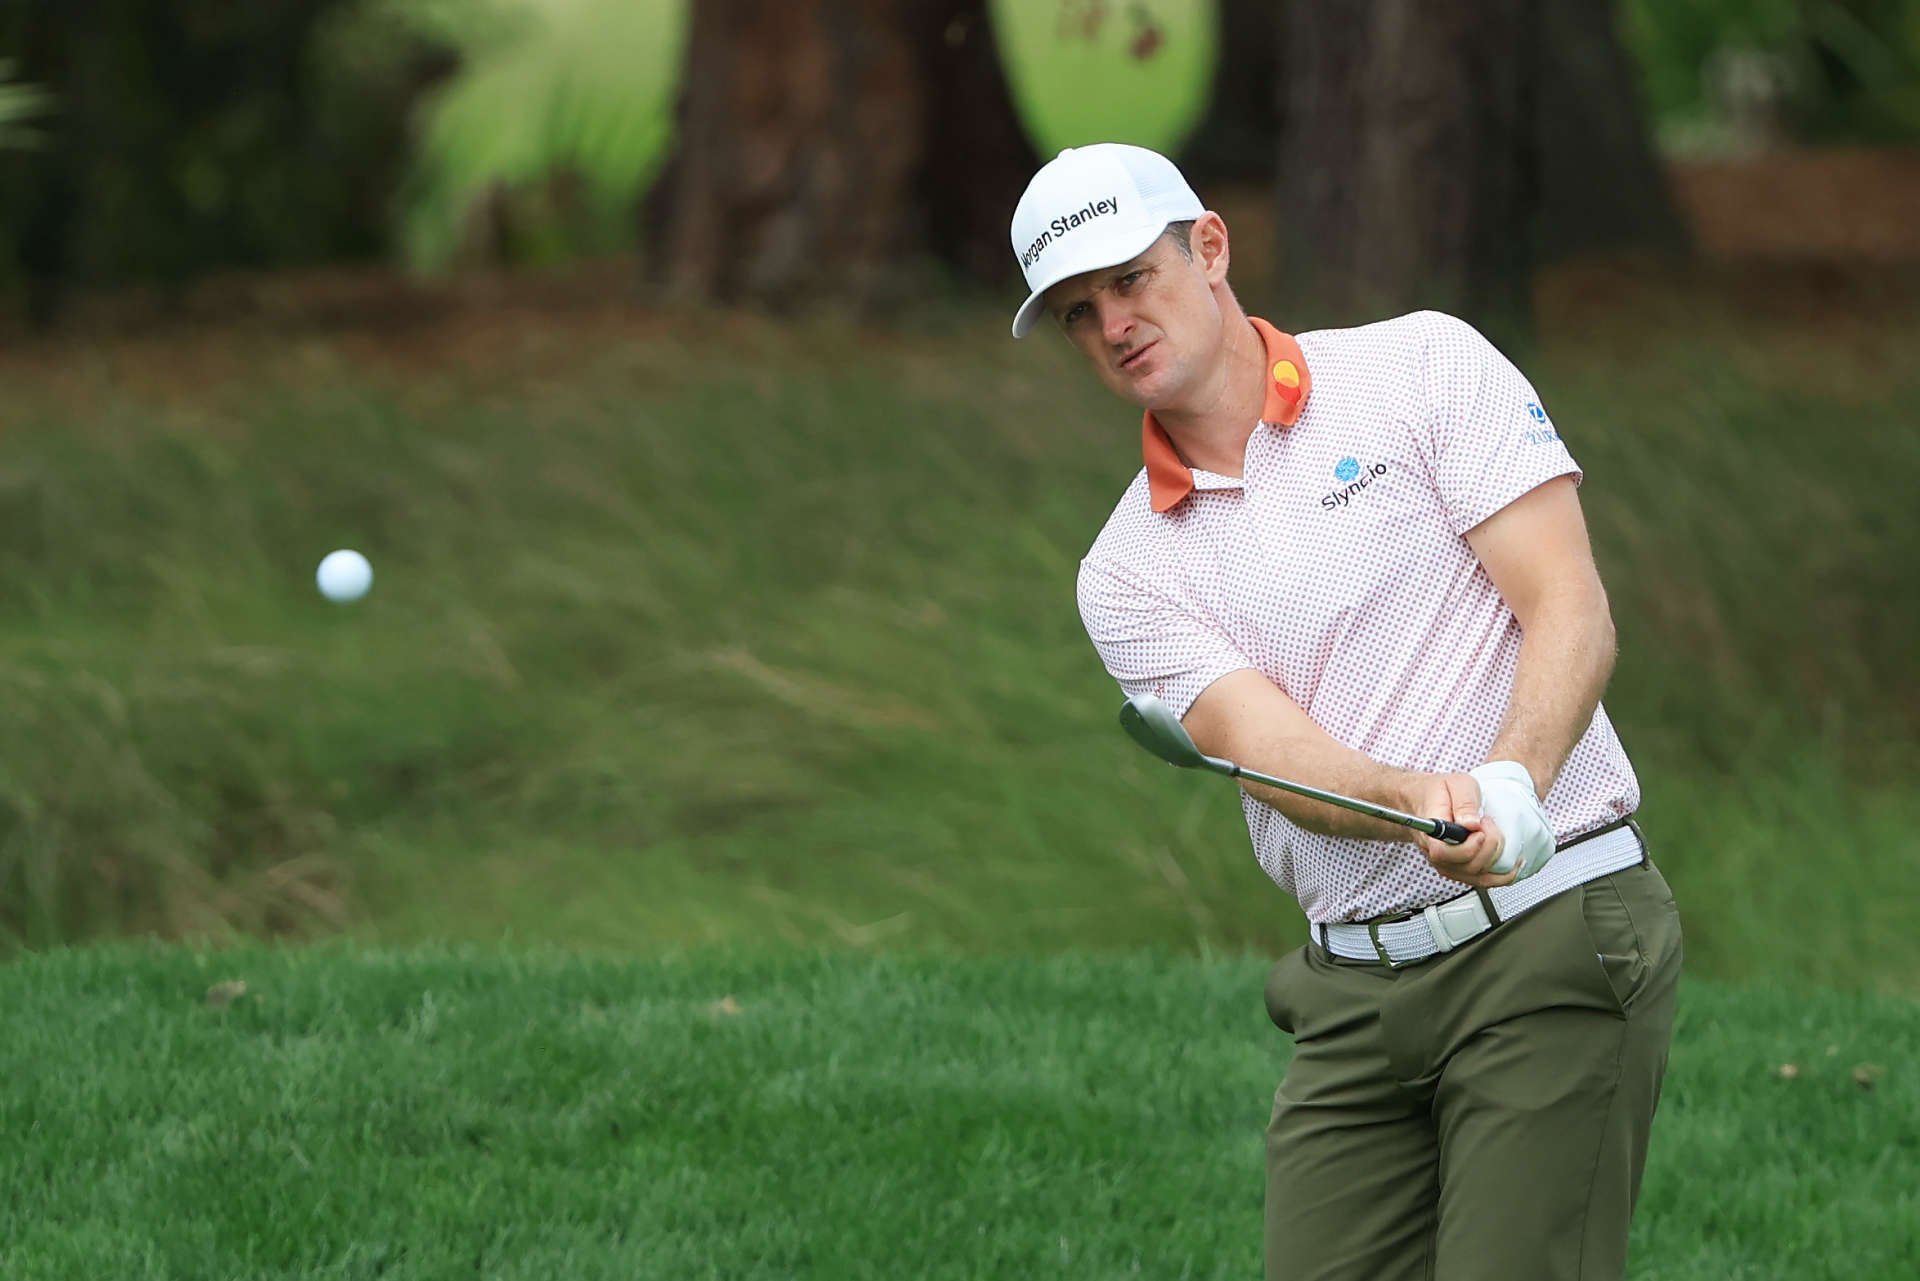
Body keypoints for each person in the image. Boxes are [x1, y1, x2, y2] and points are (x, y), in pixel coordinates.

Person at [1007, 143, 1683, 1281]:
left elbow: (1569, 605)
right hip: (1353, 994)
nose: (1112, 322)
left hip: (1555, 932)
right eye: (1079, 311)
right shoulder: (1123, 570)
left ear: (1209, 248)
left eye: (1131, 281)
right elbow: (1271, 755)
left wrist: (1511, 783)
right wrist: (1416, 802)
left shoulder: (1420, 366)